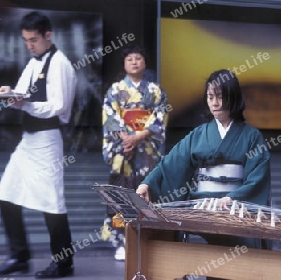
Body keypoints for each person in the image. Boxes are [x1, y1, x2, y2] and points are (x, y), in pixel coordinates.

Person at [0, 11, 77, 278]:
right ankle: (19, 256)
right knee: (6, 195)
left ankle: (64, 263)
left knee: (52, 203)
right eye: (26, 40)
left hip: (48, 141)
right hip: (28, 141)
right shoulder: (33, 62)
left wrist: (23, 103)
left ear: (48, 35)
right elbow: (22, 95)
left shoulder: (60, 63)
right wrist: (8, 93)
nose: (29, 45)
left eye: (33, 40)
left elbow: (59, 106)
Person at [136, 69, 271, 249]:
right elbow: (170, 164)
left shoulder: (252, 137)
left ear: (233, 97)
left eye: (220, 97)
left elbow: (257, 179)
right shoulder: (198, 134)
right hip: (201, 205)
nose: (214, 103)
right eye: (210, 97)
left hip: (235, 205)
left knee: (241, 250)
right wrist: (148, 184)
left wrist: (232, 198)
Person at [101, 45, 169, 260]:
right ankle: (120, 240)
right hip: (123, 150)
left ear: (144, 63)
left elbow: (160, 116)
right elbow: (110, 116)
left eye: (138, 58)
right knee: (119, 197)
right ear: (124, 64)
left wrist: (138, 137)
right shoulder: (115, 90)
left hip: (147, 149)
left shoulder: (155, 91)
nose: (134, 62)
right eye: (129, 59)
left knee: (148, 195)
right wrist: (126, 140)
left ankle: (147, 238)